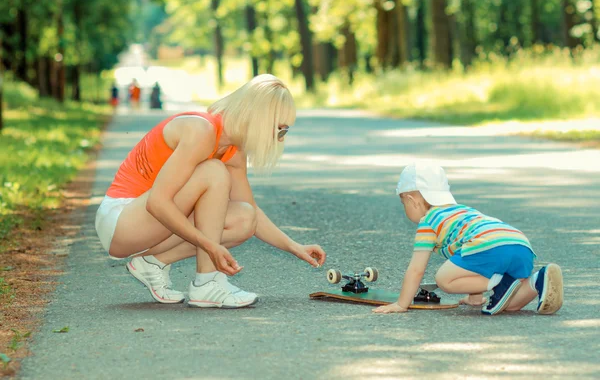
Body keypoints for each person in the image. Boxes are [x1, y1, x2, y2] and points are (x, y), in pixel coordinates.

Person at [95, 74, 326, 308]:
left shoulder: (233, 151)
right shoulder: (201, 130)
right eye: (280, 129)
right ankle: (207, 283)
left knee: (245, 218)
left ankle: (153, 263)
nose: (279, 139)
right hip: (121, 221)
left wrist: (295, 247)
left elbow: (252, 211)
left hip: (150, 227)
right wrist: (209, 245)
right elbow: (158, 203)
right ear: (260, 118)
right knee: (213, 171)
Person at [373, 162, 563, 316]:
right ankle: (537, 280)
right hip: (519, 244)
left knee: (444, 279)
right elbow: (473, 262)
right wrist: (474, 298)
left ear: (411, 200)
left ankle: (499, 282)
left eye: (402, 202)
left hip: (490, 248)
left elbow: (416, 269)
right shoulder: (461, 212)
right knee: (509, 306)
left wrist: (401, 304)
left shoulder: (428, 222)